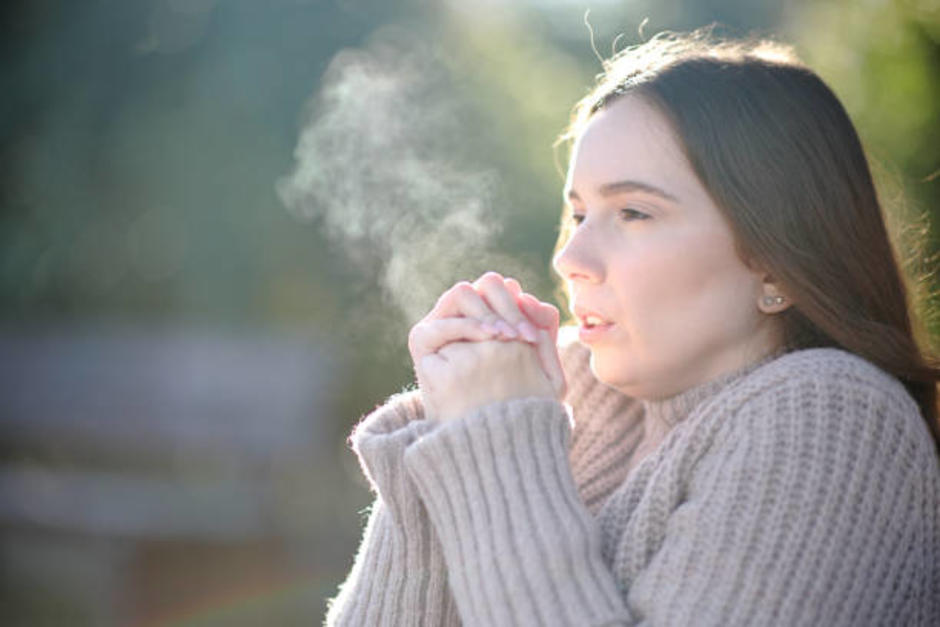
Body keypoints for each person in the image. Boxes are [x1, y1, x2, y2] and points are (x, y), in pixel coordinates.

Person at [324, 27, 940, 626]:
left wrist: (497, 439)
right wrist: (444, 444)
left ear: (778, 262)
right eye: (580, 214)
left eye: (634, 213)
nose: (570, 259)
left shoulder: (831, 418)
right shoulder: (575, 404)